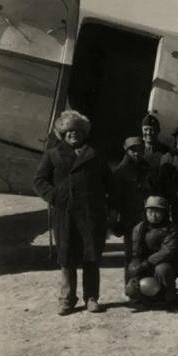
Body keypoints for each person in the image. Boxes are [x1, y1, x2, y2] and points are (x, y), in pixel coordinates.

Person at [33, 110, 113, 315]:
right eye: (68, 131)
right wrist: (54, 196)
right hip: (65, 213)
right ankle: (67, 299)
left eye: (77, 130)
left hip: (91, 213)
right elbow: (39, 181)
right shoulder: (53, 153)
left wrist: (109, 205)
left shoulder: (94, 154)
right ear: (62, 133)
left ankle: (92, 297)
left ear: (84, 132)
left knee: (91, 255)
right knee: (67, 256)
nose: (73, 134)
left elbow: (108, 181)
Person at [113, 136, 156, 279]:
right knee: (132, 253)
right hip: (129, 219)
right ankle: (131, 286)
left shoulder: (147, 168)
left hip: (148, 217)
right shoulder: (121, 171)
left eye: (139, 150)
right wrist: (116, 221)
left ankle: (147, 287)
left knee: (148, 250)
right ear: (126, 151)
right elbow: (115, 200)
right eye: (133, 150)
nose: (136, 153)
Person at [126, 196, 178, 307]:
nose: (153, 215)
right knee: (133, 268)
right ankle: (141, 297)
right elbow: (135, 251)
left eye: (157, 212)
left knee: (162, 269)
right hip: (145, 263)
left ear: (164, 213)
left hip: (165, 262)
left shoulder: (171, 229)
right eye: (150, 211)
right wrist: (135, 267)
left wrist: (148, 263)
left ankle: (167, 296)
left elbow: (167, 251)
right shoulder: (139, 228)